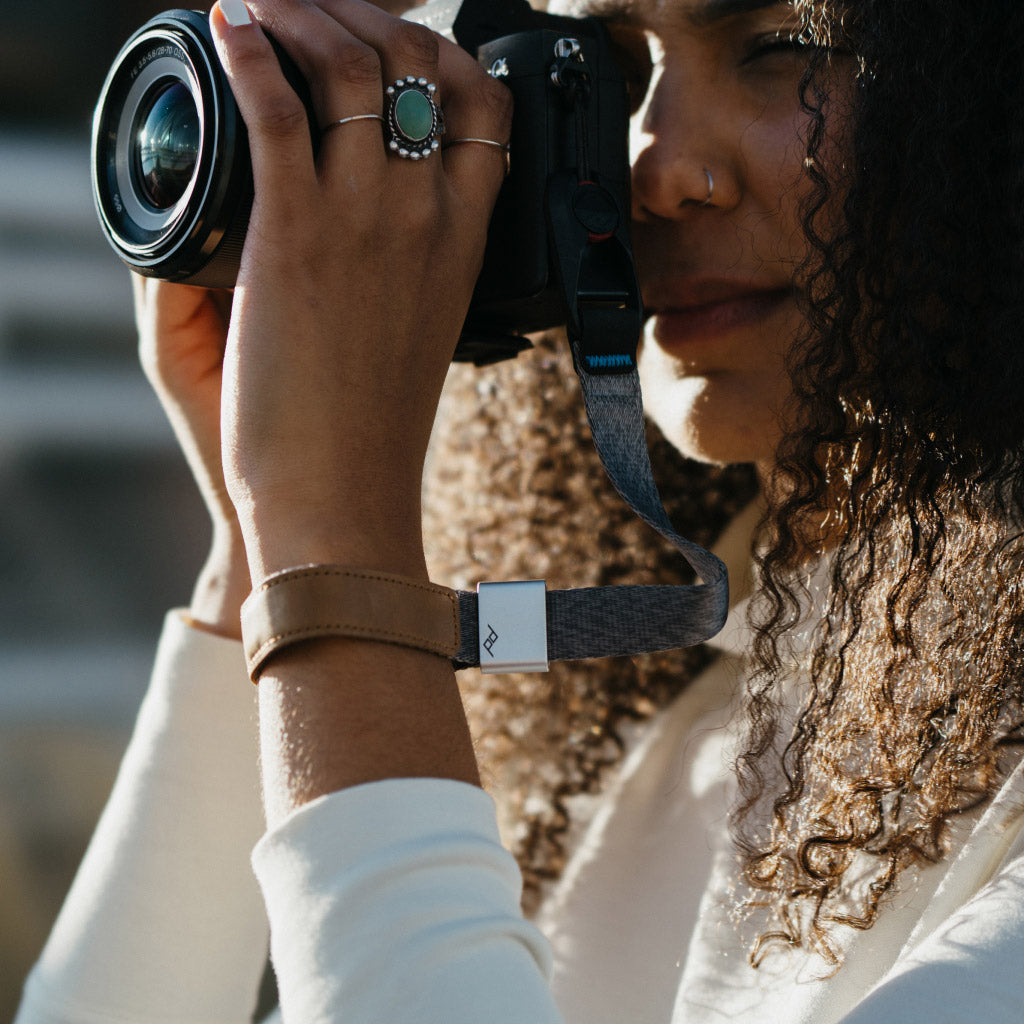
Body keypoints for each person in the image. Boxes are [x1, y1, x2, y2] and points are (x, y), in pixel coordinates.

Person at [15, 0, 1024, 1021]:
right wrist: (258, 549)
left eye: (783, 47)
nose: (653, 168)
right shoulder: (656, 702)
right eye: (608, 68)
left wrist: (337, 547)